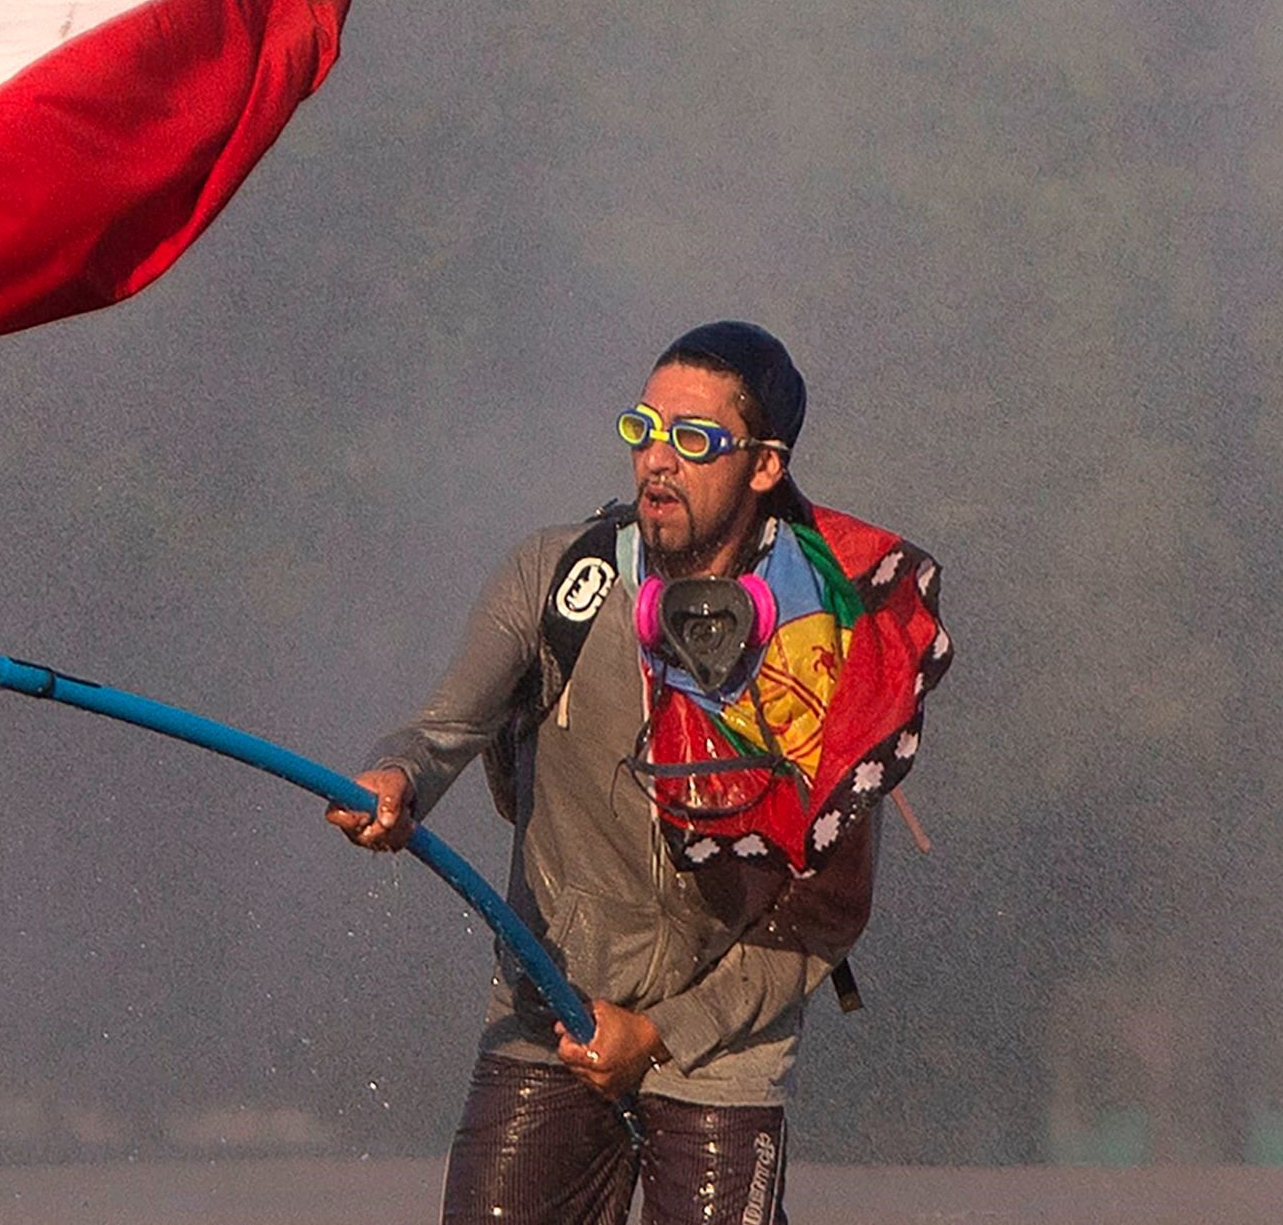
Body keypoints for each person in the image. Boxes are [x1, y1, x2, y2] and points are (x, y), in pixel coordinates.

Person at [329, 322, 948, 1225]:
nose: (658, 460)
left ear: (766, 465)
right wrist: (394, 781)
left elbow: (825, 911)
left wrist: (658, 1036)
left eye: (694, 441)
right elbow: (442, 731)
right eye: (643, 430)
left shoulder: (838, 646)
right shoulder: (553, 575)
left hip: (722, 1051)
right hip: (552, 1015)